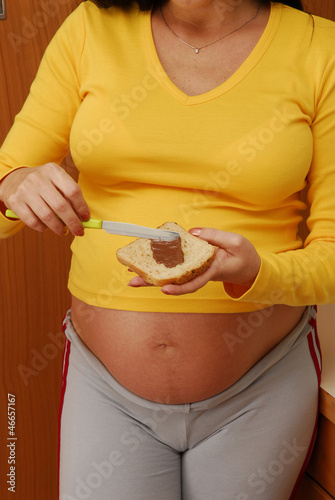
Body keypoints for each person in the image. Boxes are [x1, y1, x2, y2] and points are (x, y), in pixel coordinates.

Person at [0, 0, 333, 498]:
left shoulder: (319, 48)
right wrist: (15, 185)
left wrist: (258, 272)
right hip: (105, 389)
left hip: (262, 388)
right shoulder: (90, 28)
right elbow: (6, 188)